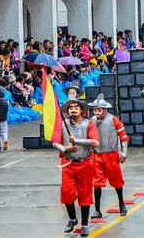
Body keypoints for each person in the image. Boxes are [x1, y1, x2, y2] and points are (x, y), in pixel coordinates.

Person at [52, 96, 99, 237]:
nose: (73, 110)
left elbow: (95, 142)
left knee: (85, 194)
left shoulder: (88, 123)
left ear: (81, 110)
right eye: (70, 108)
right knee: (67, 193)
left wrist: (76, 141)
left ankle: (84, 224)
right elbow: (54, 142)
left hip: (85, 163)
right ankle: (72, 219)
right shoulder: (62, 124)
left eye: (75, 107)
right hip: (69, 164)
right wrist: (65, 149)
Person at [89, 94, 129, 219]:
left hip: (112, 155)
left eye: (99, 110)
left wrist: (124, 152)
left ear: (105, 110)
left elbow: (123, 137)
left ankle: (122, 204)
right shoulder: (92, 121)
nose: (97, 112)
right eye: (95, 110)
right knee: (97, 183)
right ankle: (97, 210)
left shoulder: (113, 120)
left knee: (117, 181)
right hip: (97, 155)